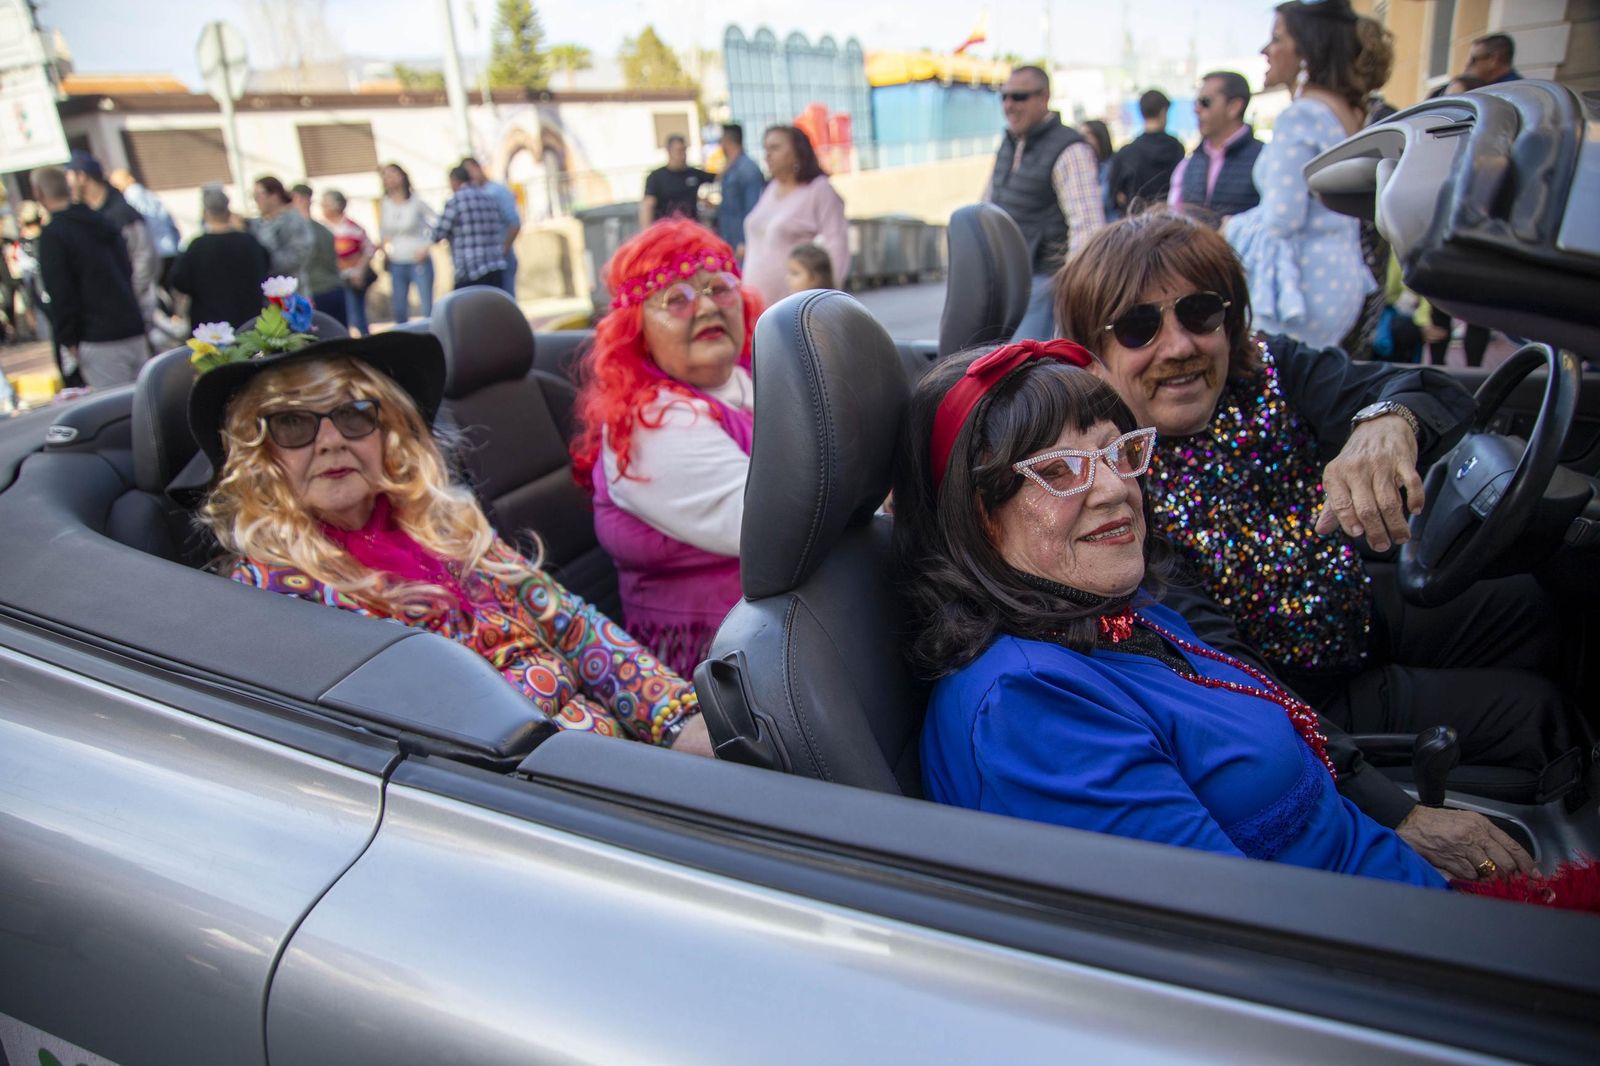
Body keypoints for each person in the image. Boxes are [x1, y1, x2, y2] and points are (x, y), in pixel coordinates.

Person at [897, 340, 1600, 909]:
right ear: (979, 518)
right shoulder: (1028, 706)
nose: (1114, 487)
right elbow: (1238, 944)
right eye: (1061, 469)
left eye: (1119, 453)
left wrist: (1399, 825)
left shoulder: (1120, 614)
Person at [1052, 213, 1575, 874]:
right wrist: (1398, 815)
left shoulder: (1270, 371)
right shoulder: (1116, 486)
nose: (1178, 345)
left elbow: (1426, 388)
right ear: (1095, 357)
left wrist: (1387, 424)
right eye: (1138, 328)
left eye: (1200, 312)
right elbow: (1239, 681)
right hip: (1306, 694)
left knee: (1537, 609)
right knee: (1538, 716)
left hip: (1353, 605)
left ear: (1230, 320)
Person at [187, 281, 713, 756]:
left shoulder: (442, 523)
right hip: (529, 798)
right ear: (263, 455)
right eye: (293, 424)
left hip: (617, 755)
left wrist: (679, 720)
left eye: (353, 415)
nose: (330, 441)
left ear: (386, 431)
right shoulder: (271, 590)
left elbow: (572, 623)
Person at [570, 220, 765, 677]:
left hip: (784, 622)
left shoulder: (753, 379)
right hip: (720, 666)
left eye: (719, 288)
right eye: (675, 299)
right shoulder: (648, 425)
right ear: (636, 330)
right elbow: (781, 527)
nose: (704, 307)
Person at [1224, 0, 1393, 350]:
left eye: (1276, 39)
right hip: (1340, 280)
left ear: (1306, 50)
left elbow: (1282, 219)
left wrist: (1228, 228)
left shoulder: (1301, 116)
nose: (1265, 50)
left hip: (1302, 292)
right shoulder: (1347, 110)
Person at [984, 65, 1106, 341]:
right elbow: (987, 206)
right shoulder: (1009, 144)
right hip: (1005, 284)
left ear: (1044, 97)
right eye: (1004, 97)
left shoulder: (1070, 149)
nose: (1009, 105)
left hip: (1044, 284)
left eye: (1019, 97)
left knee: (1021, 370)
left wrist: (1071, 298)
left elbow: (1087, 229)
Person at [30, 166, 147, 388]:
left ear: (39, 193)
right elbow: (128, 267)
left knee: (117, 412)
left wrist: (68, 338)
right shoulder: (100, 220)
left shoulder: (55, 234)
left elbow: (60, 290)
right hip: (131, 325)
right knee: (144, 410)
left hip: (97, 337)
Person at [65, 150, 166, 348]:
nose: (68, 185)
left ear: (82, 176)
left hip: (138, 315)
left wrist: (127, 295)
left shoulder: (121, 212)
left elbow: (145, 259)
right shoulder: (86, 216)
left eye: (69, 176)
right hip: (107, 323)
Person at [740, 126, 850, 307]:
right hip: (755, 303)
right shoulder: (771, 188)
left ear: (798, 152)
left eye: (775, 148)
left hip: (793, 305)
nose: (767, 155)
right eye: (765, 149)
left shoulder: (818, 189)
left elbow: (837, 244)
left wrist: (829, 298)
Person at [1423, 76, 1491, 367]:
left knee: (1478, 314)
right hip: (1441, 237)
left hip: (1476, 238)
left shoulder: (1489, 143)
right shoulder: (1434, 143)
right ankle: (1438, 372)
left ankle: (1475, 373)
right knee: (1439, 313)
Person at [1168, 71, 1265, 224]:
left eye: (1205, 102)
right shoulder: (1189, 163)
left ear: (1234, 107)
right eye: (1196, 103)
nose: (1197, 109)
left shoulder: (1264, 159)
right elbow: (1173, 218)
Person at [170, 185, 271, 329]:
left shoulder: (196, 248)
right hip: (251, 324)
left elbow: (180, 282)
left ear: (205, 213)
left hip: (211, 328)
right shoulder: (250, 242)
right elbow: (266, 270)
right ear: (228, 211)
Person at [1106, 90, 1186, 215]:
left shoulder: (1126, 153)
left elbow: (1114, 196)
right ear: (1163, 111)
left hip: (1136, 225)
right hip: (1170, 223)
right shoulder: (1176, 148)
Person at [433, 166, 508, 291]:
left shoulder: (455, 201)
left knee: (468, 309)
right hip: (495, 264)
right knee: (492, 307)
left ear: (454, 181)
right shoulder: (489, 198)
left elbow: (439, 233)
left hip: (469, 269)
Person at [378, 163, 436, 323]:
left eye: (393, 174)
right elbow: (384, 232)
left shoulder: (416, 202)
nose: (390, 179)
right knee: (399, 308)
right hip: (397, 262)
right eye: (386, 176)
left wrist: (426, 246)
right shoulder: (385, 204)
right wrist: (385, 251)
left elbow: (436, 224)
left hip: (418, 261)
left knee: (426, 309)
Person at [107, 167, 181, 286]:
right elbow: (170, 221)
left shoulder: (128, 201)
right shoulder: (150, 195)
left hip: (155, 252)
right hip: (170, 248)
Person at [461, 157, 521, 298]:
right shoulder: (472, 194)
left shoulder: (497, 191)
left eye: (471, 171)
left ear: (478, 168)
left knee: (505, 302)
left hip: (501, 257)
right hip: (482, 263)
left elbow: (514, 223)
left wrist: (503, 249)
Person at [290, 182, 347, 329]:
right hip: (333, 288)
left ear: (300, 200)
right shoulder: (324, 230)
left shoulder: (299, 232)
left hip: (315, 292)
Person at [320, 189, 375, 336]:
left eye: (326, 204)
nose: (322, 207)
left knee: (356, 316)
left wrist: (360, 270)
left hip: (350, 278)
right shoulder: (322, 228)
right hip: (332, 280)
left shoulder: (352, 227)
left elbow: (369, 249)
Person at [251, 177, 315, 297]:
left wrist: (265, 262)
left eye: (259, 195)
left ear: (275, 195)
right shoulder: (258, 223)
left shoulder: (294, 220)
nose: (256, 200)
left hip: (291, 294)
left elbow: (298, 256)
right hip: (265, 295)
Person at [714, 124, 765, 260]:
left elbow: (753, 208)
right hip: (731, 240)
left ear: (727, 141)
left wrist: (745, 241)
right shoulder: (731, 167)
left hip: (741, 243)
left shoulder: (747, 169)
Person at [641, 135, 713, 229]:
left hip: (690, 229)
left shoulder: (693, 174)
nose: (683, 155)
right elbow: (648, 205)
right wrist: (647, 231)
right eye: (679, 151)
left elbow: (716, 177)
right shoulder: (656, 177)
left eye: (684, 150)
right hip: (665, 230)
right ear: (669, 152)